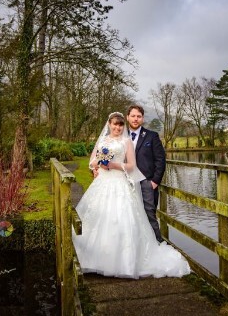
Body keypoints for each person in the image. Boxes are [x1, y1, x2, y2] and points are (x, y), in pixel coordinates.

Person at [73, 112, 190, 279]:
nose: (117, 127)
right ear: (109, 124)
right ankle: (94, 259)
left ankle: (122, 262)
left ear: (123, 126)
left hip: (119, 182)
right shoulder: (103, 141)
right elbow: (91, 162)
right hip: (103, 183)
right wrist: (98, 164)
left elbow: (131, 166)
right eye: (115, 124)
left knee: (122, 219)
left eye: (120, 125)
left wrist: (113, 164)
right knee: (100, 217)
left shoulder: (126, 142)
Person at [126, 105, 166, 243]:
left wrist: (154, 181)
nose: (136, 119)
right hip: (125, 183)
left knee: (150, 215)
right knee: (128, 216)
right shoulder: (120, 135)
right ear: (127, 117)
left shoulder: (152, 136)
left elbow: (161, 160)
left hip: (147, 183)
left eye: (139, 116)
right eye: (133, 116)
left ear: (142, 118)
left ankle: (158, 245)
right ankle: (137, 248)